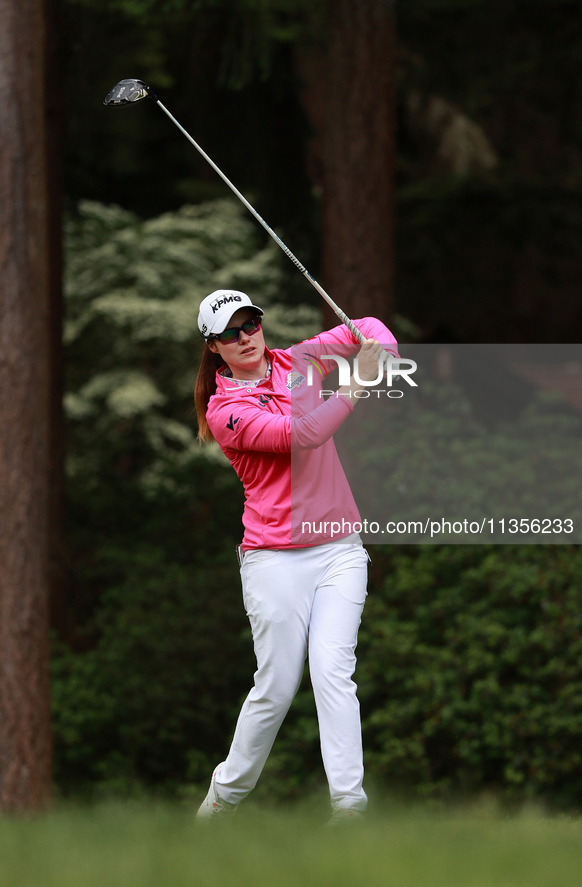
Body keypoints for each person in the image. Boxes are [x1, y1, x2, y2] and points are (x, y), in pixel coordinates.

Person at [193, 289, 398, 824]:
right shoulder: (226, 412)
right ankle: (223, 799)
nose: (246, 337)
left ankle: (349, 810)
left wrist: (382, 352)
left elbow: (370, 326)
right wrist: (357, 383)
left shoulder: (301, 361)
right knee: (277, 687)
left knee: (333, 670)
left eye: (251, 323)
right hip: (274, 559)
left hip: (339, 549)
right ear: (214, 347)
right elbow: (304, 434)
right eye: (231, 333)